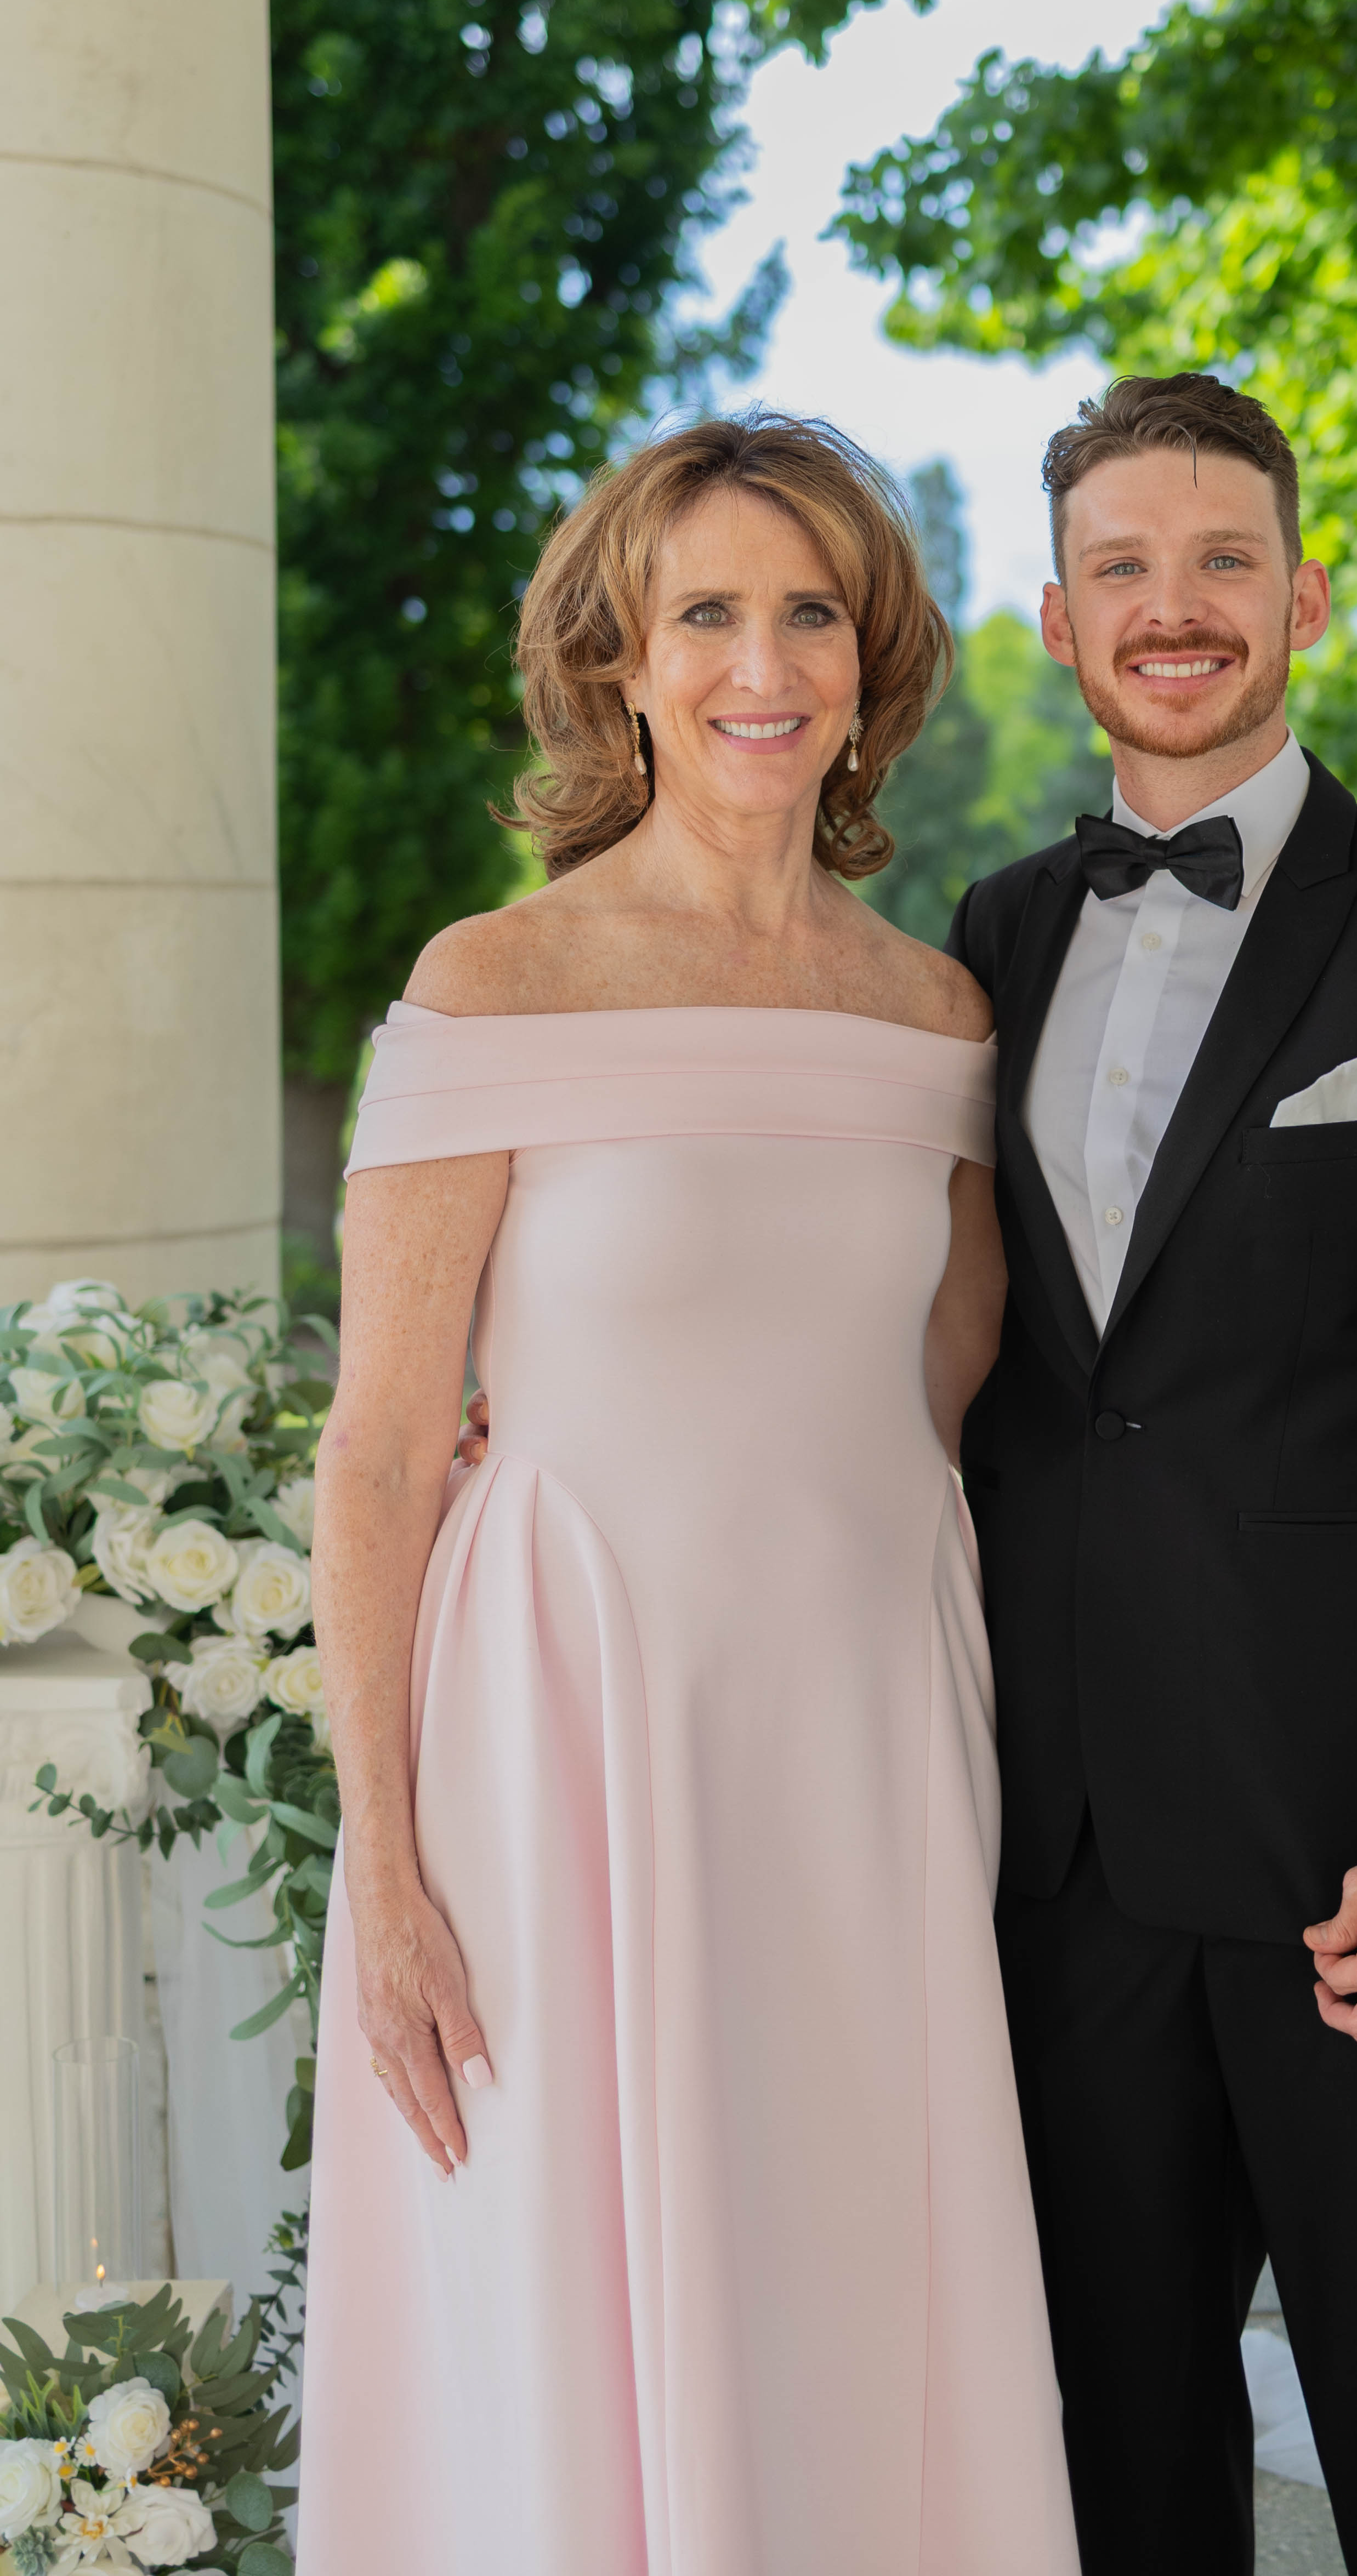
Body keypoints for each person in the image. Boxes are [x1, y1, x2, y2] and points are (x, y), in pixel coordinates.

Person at [298, 417, 1080, 2576]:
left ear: (869, 665)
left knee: (851, 2278)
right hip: (564, 1748)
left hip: (869, 1748)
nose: (764, 662)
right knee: (567, 2300)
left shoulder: (935, 1015)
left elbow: (957, 1389)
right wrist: (385, 1864)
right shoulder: (492, 983)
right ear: (619, 666)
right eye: (706, 613)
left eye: (810, 612)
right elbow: (382, 1446)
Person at [946, 372, 1357, 2575]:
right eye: (1123, 565)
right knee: (1120, 2480)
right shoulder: (985, 942)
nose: (1176, 606)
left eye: (1224, 558)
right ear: (1057, 616)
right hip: (1066, 1871)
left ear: (1305, 598)